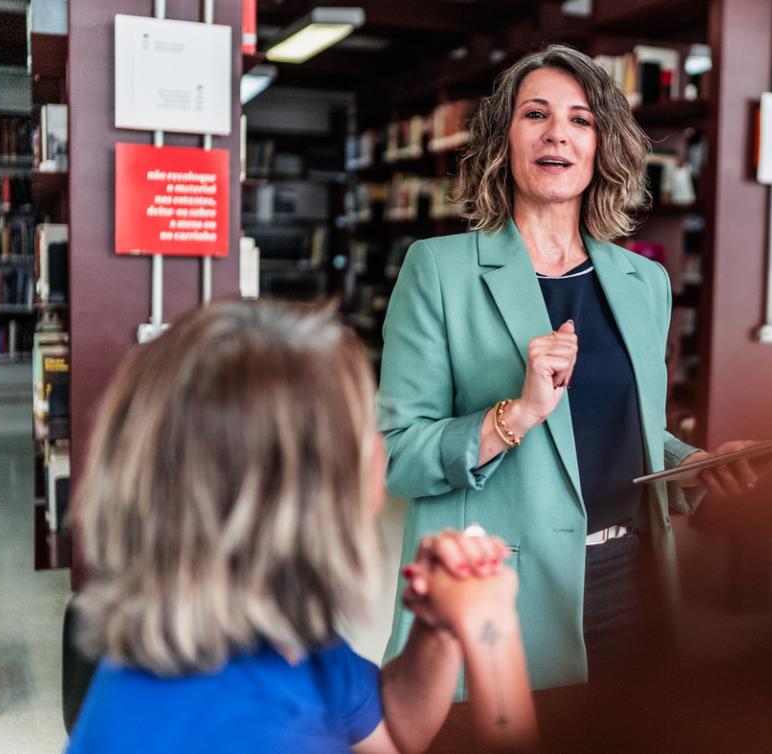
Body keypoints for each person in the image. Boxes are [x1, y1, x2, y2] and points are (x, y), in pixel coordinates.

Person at [379, 43, 769, 692]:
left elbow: (634, 433)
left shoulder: (644, 281)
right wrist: (518, 413)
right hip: (502, 594)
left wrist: (696, 465)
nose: (558, 132)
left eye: (581, 120)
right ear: (504, 140)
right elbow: (400, 456)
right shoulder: (439, 270)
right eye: (535, 114)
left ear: (601, 147)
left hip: (634, 582)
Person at [66, 300, 537, 754]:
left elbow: (391, 732)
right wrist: (490, 631)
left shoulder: (265, 630)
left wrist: (435, 629)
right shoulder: (258, 735)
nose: (378, 448)